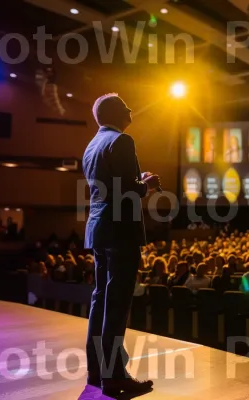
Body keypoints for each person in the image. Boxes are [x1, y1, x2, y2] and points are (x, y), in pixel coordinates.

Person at [83, 93, 160, 396]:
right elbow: (127, 190)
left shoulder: (92, 145)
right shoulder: (122, 141)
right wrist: (147, 185)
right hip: (121, 232)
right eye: (127, 107)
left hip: (99, 230)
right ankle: (114, 375)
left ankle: (95, 370)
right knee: (117, 304)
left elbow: (112, 185)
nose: (132, 111)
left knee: (100, 299)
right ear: (117, 112)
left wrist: (134, 181)